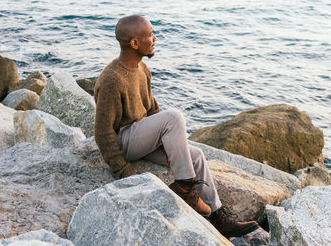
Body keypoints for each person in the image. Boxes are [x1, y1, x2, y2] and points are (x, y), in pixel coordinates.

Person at [94, 15, 258, 238]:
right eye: (150, 35)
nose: (155, 38)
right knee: (174, 117)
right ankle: (184, 187)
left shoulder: (142, 69)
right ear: (133, 43)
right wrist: (125, 173)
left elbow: (152, 111)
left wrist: (166, 148)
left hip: (142, 137)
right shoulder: (112, 78)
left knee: (197, 155)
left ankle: (218, 216)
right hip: (124, 142)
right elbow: (103, 133)